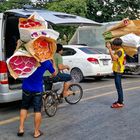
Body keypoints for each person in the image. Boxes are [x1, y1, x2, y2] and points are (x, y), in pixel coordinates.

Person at [17, 60, 56, 138]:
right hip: (37, 89)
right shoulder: (46, 62)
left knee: (24, 107)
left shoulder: (28, 57)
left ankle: (21, 129)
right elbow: (54, 73)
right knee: (37, 110)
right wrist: (53, 62)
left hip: (26, 87)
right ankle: (36, 132)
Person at [106, 38, 125, 108]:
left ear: (118, 46)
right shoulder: (118, 50)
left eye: (114, 45)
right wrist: (109, 46)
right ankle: (120, 100)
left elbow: (114, 58)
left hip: (118, 71)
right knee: (118, 87)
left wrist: (110, 48)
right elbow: (113, 55)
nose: (113, 46)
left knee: (119, 87)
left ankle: (120, 102)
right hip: (116, 70)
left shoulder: (120, 51)